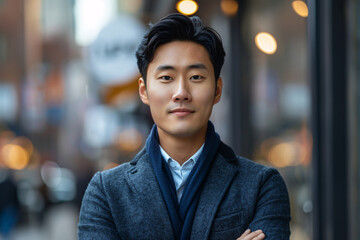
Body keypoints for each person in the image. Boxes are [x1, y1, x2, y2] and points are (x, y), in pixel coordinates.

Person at [78, 13, 291, 240]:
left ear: (217, 89)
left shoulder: (262, 186)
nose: (181, 93)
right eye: (167, 78)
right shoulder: (106, 193)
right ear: (144, 91)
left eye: (196, 77)